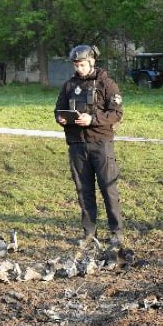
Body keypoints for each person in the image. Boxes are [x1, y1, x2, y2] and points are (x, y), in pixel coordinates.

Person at [55, 45, 126, 256]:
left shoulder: (107, 84)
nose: (79, 68)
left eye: (82, 64)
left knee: (108, 188)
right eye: (76, 65)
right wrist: (60, 118)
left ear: (92, 62)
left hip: (101, 144)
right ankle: (89, 233)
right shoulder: (69, 86)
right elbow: (58, 109)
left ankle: (116, 232)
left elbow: (116, 114)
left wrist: (93, 120)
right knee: (83, 190)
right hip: (77, 145)